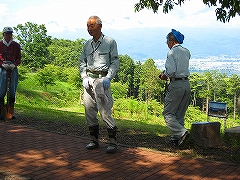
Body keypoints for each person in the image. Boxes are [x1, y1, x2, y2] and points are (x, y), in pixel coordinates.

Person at [79, 16, 120, 153]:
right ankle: (94, 140)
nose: (89, 29)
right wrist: (84, 76)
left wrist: (109, 77)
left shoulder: (109, 42)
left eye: (92, 26)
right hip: (89, 80)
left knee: (105, 112)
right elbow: (82, 62)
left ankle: (113, 142)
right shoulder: (86, 44)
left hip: (102, 80)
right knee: (89, 111)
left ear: (100, 26)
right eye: (87, 26)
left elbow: (115, 62)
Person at [159, 29, 191, 146]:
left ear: (172, 41)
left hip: (176, 85)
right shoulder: (186, 51)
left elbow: (171, 71)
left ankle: (182, 133)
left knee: (168, 114)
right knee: (180, 114)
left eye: (167, 41)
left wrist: (164, 75)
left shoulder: (172, 52)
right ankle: (177, 139)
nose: (167, 44)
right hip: (186, 84)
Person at [0, 27, 21, 119]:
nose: (9, 35)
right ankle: (0, 112)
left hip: (13, 68)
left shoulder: (16, 45)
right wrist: (2, 64)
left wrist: (14, 64)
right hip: (2, 68)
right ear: (3, 34)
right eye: (7, 33)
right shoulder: (0, 44)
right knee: (1, 89)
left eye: (10, 33)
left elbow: (19, 58)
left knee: (12, 90)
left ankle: (10, 113)